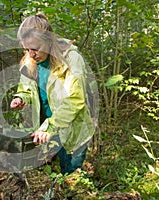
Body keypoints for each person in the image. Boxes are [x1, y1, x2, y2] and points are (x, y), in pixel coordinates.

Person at [10, 13, 97, 175]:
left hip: (72, 130)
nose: (30, 54)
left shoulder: (71, 59)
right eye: (26, 49)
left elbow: (75, 99)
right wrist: (21, 97)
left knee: (70, 176)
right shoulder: (30, 60)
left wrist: (49, 127)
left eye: (35, 48)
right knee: (48, 176)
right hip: (44, 131)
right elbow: (26, 87)